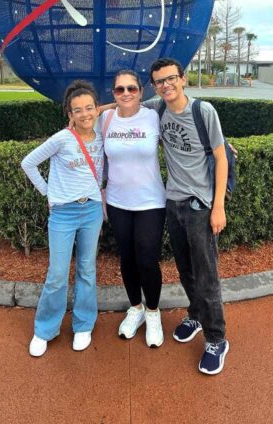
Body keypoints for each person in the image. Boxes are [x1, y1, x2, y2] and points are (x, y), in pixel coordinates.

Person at [142, 57, 230, 375]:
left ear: (183, 78)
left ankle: (216, 339)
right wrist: (93, 111)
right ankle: (195, 314)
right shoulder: (158, 107)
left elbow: (221, 159)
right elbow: (124, 103)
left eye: (170, 79)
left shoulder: (202, 112)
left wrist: (217, 205)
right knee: (185, 269)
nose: (166, 86)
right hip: (173, 203)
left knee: (207, 275)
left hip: (200, 204)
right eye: (159, 82)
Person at [21, 80, 104, 357]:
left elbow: (119, 107)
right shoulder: (61, 138)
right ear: (69, 114)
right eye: (77, 110)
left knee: (87, 270)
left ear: (96, 109)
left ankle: (83, 324)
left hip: (91, 210)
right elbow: (28, 162)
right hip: (63, 213)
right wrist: (48, 193)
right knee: (57, 275)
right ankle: (45, 329)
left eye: (89, 108)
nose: (84, 114)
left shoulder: (102, 133)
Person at [101, 70, 166, 348]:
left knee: (147, 260)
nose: (126, 93)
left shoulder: (154, 116)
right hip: (117, 202)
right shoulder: (105, 119)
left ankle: (153, 312)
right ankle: (136, 308)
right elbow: (79, 124)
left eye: (131, 88)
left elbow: (185, 126)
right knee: (126, 258)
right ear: (113, 94)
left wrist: (220, 144)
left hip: (151, 202)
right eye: (119, 90)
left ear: (141, 91)